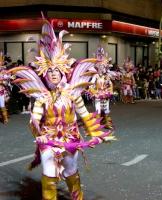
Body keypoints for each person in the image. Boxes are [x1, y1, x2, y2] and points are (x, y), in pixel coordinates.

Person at [8, 14, 116, 200]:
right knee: (48, 171)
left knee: (70, 170)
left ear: (62, 70)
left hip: (70, 139)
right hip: (48, 139)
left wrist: (96, 133)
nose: (53, 73)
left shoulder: (73, 93)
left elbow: (83, 114)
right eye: (49, 70)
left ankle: (77, 197)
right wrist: (39, 134)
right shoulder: (41, 95)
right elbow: (34, 117)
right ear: (45, 73)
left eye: (56, 70)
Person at [87, 45, 119, 130]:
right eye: (100, 66)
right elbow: (91, 84)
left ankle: (107, 123)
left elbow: (110, 84)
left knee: (106, 109)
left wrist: (110, 91)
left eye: (103, 66)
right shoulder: (95, 76)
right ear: (97, 67)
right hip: (98, 94)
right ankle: (97, 125)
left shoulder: (106, 76)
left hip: (105, 94)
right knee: (98, 109)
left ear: (105, 67)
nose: (101, 67)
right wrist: (94, 93)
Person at [0, 52, 11, 124]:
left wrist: (1, 81)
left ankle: (5, 119)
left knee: (2, 104)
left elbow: (7, 81)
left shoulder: (5, 72)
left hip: (1, 90)